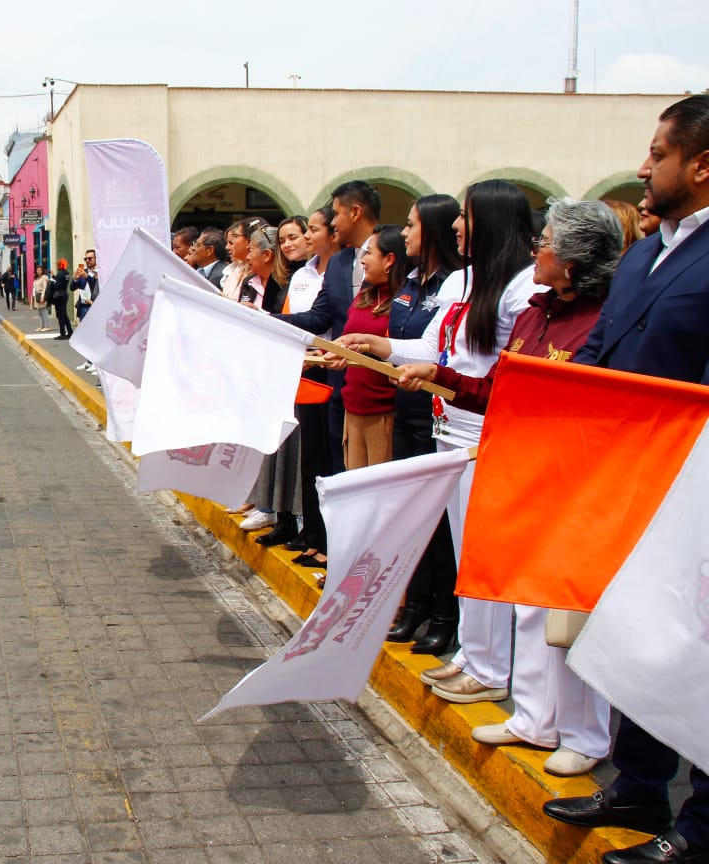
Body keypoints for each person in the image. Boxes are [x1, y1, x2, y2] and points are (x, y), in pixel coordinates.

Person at [541, 93, 709, 864]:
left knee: (694, 651)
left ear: (701, 165)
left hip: (693, 492)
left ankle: (702, 825)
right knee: (635, 637)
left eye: (659, 153)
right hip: (627, 482)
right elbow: (605, 350)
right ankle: (639, 781)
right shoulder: (646, 253)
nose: (644, 167)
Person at [400, 198, 623, 777]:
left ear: (573, 260)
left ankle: (583, 733)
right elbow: (500, 388)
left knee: (569, 611)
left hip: (576, 479)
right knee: (527, 602)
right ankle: (532, 716)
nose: (536, 248)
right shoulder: (534, 313)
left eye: (546, 241)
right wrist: (443, 377)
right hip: (521, 469)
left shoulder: (604, 317)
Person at [344, 179, 538, 704]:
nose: (455, 226)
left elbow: (504, 368)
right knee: (460, 549)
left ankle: (493, 666)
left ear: (493, 222)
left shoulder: (521, 287)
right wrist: (379, 344)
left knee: (484, 553)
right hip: (446, 426)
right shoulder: (462, 282)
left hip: (487, 432)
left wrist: (438, 372)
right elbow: (431, 347)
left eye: (466, 217)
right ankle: (473, 656)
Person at [384, 194, 463, 654]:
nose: (406, 232)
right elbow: (400, 341)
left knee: (440, 523)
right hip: (405, 411)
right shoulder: (411, 282)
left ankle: (443, 612)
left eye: (412, 225)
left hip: (438, 417)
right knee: (412, 517)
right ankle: (415, 603)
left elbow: (432, 350)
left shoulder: (452, 286)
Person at [281, 181, 382, 481]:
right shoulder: (339, 263)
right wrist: (263, 317)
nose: (333, 220)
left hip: (379, 384)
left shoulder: (392, 250)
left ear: (355, 212)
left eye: (335, 214)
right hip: (340, 379)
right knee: (335, 464)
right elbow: (320, 316)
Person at [259, 207, 336, 553]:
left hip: (324, 369)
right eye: (286, 239)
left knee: (322, 459)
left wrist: (268, 319)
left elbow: (317, 319)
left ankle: (320, 535)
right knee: (304, 460)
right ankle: (302, 529)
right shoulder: (300, 274)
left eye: (302, 234)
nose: (297, 242)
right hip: (296, 367)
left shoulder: (334, 272)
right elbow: (294, 317)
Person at [237, 226, 298, 539]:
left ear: (266, 254)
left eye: (295, 237)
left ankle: (283, 513)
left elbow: (291, 319)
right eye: (284, 239)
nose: (246, 254)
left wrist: (260, 315)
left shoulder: (289, 282)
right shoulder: (252, 281)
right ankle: (262, 502)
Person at [331, 225, 407, 469]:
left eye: (369, 253)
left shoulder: (404, 301)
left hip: (383, 411)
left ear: (389, 260)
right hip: (352, 406)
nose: (362, 260)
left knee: (380, 493)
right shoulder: (365, 295)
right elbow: (345, 340)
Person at [220, 217, 267, 302]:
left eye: (231, 242)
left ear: (249, 240)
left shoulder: (263, 273)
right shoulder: (233, 270)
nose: (227, 247)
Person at [48, 259, 72, 339]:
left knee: (60, 316)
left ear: (60, 265)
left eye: (58, 264)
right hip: (65, 294)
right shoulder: (66, 273)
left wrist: (51, 283)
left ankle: (62, 333)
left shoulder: (60, 273)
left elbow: (57, 286)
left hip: (59, 296)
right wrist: (53, 276)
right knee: (64, 315)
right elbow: (61, 280)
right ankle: (70, 331)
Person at [31, 265, 51, 332]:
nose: (38, 271)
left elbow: (45, 288)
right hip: (37, 296)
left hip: (42, 296)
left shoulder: (44, 278)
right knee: (39, 313)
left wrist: (43, 297)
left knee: (44, 312)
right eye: (37, 270)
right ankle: (41, 326)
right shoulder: (37, 278)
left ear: (42, 271)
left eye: (40, 270)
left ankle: (47, 326)